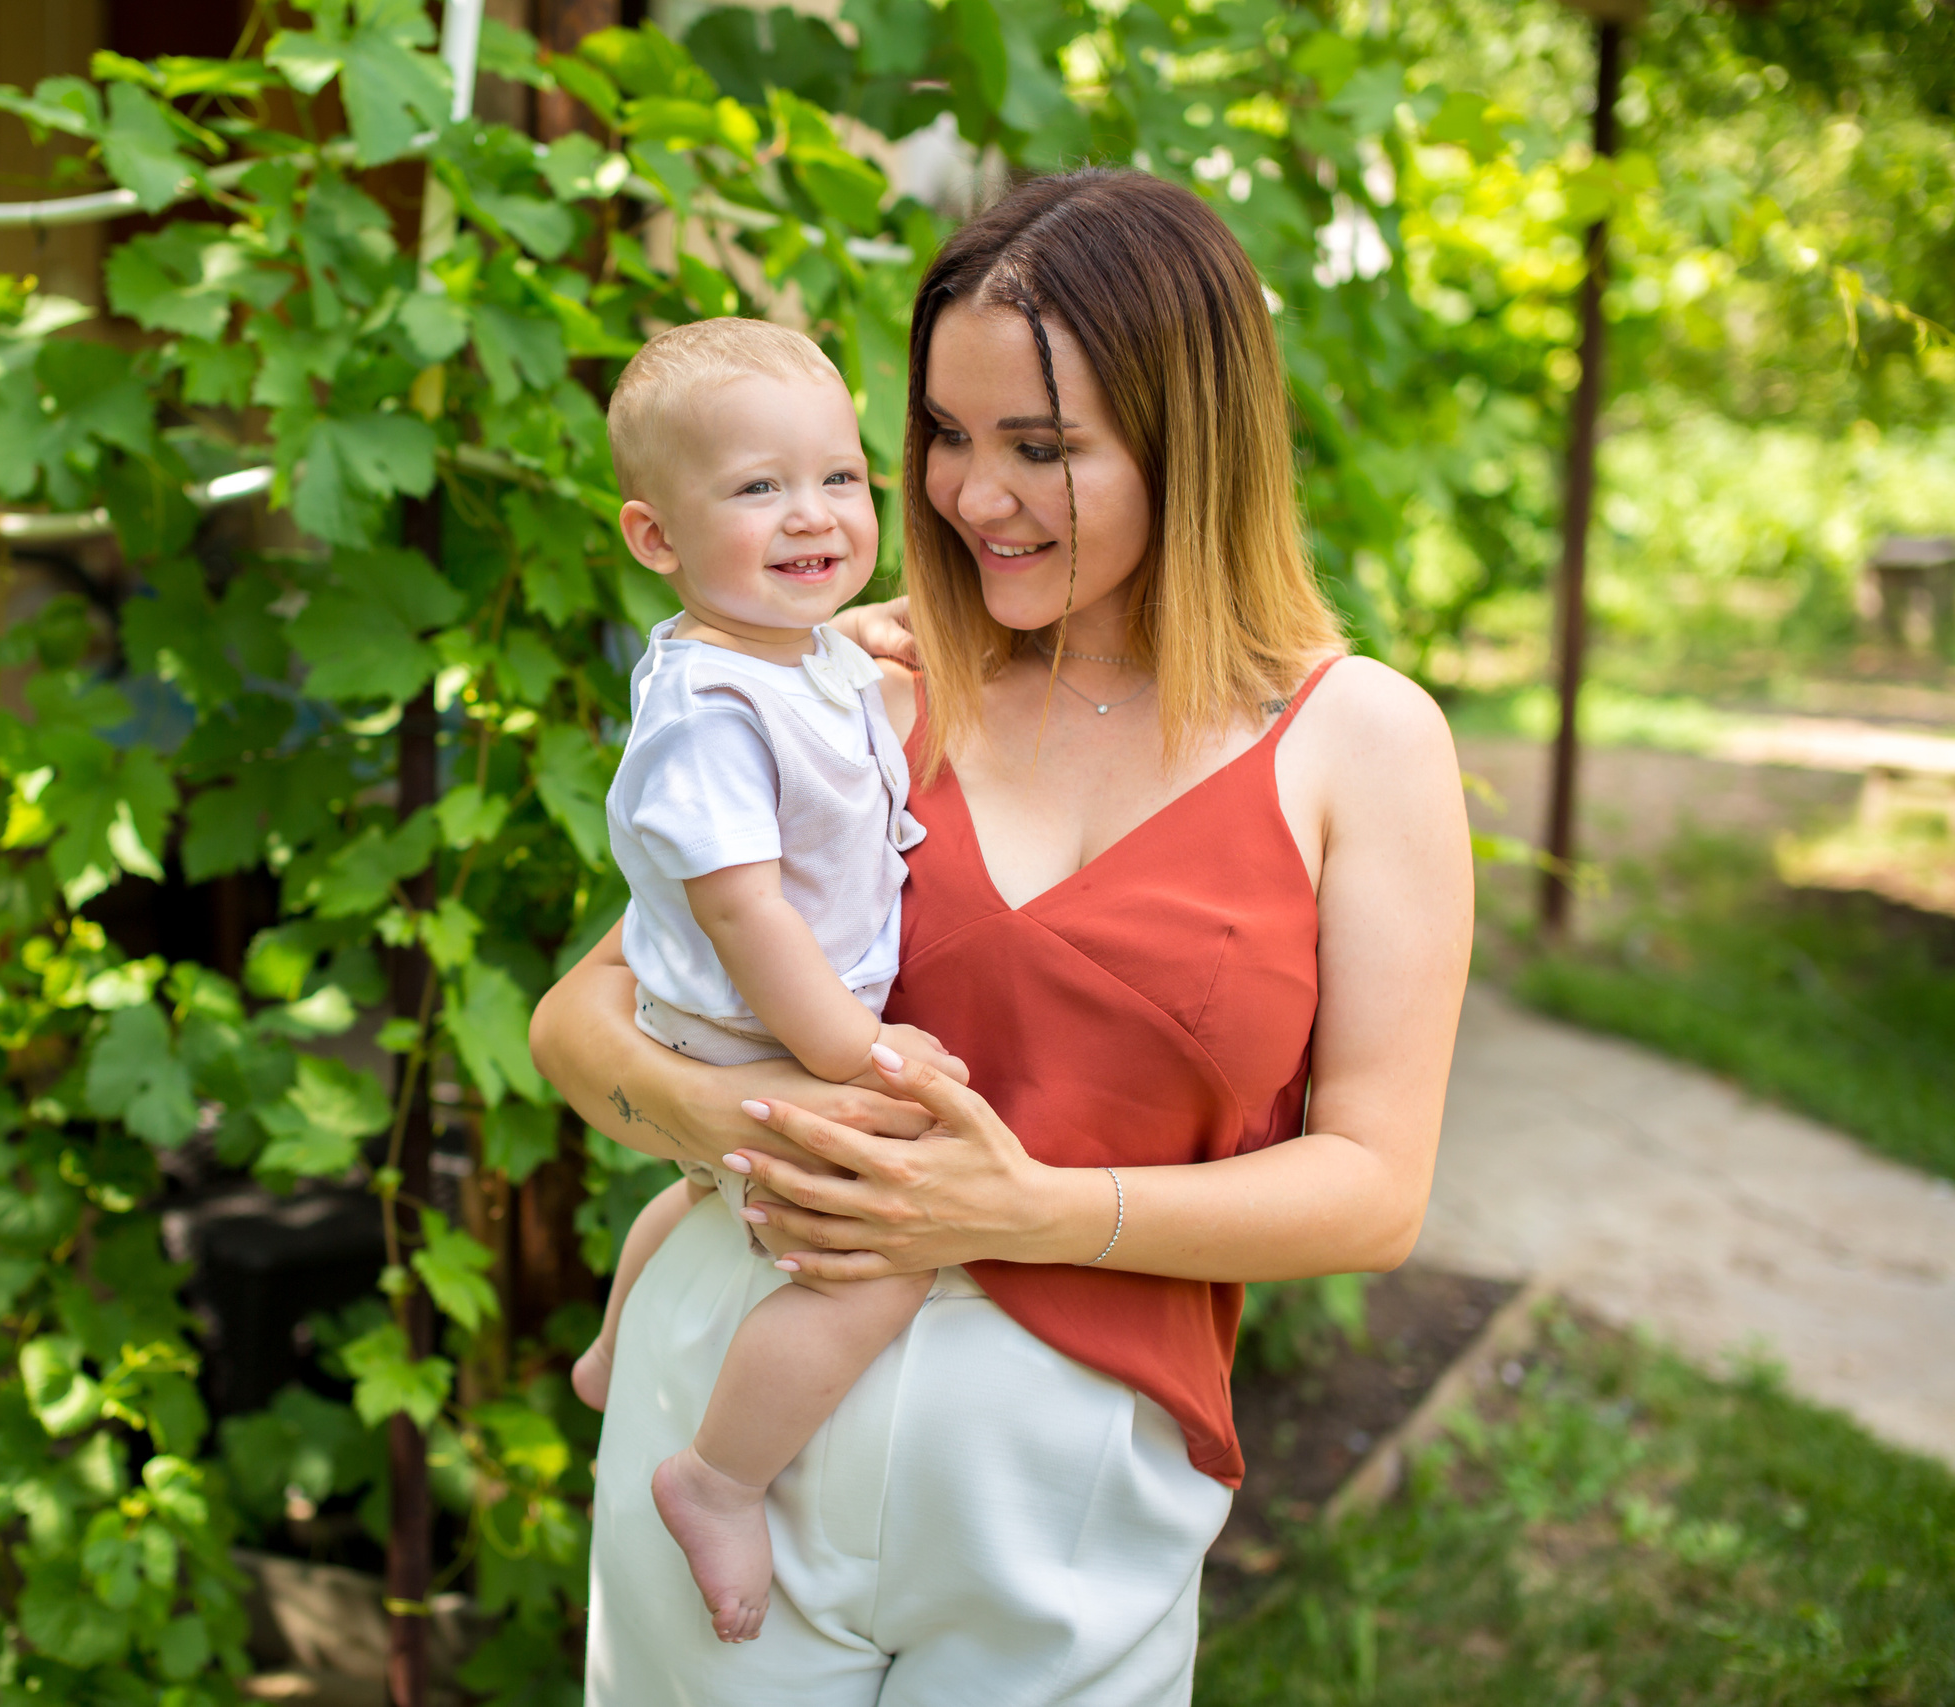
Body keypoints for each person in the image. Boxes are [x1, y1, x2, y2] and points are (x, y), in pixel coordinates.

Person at [527, 166, 1475, 1706]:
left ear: (1191, 441)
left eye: (1041, 447)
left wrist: (1021, 1209)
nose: (971, 498)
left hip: (1069, 1481)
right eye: (944, 437)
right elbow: (581, 1023)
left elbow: (1374, 1192)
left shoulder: (1358, 743)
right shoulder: (857, 682)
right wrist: (750, 1128)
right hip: (734, 1396)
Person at [573, 316, 971, 1646]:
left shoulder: (785, 651)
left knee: (700, 1189)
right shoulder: (707, 713)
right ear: (656, 538)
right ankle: (720, 1478)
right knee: (883, 1257)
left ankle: (612, 1348)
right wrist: (857, 1054)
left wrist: (864, 633)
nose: (813, 513)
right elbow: (743, 909)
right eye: (758, 488)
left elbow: (822, 677)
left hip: (745, 1019)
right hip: (758, 1024)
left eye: (840, 477)